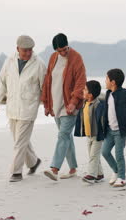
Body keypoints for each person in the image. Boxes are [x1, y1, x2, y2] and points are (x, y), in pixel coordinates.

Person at [0, 35, 46, 182]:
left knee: (19, 142)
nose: (28, 53)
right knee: (20, 140)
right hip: (13, 108)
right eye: (25, 51)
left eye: (30, 50)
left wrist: (48, 105)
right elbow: (2, 82)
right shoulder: (9, 61)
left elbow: (45, 87)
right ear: (17, 49)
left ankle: (16, 172)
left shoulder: (39, 64)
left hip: (29, 108)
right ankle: (34, 162)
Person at [42, 33, 87, 181]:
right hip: (56, 105)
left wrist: (74, 102)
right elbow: (48, 81)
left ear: (68, 45)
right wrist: (47, 104)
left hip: (70, 105)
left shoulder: (76, 58)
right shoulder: (53, 58)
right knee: (66, 137)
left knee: (62, 135)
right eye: (59, 51)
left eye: (64, 49)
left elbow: (81, 82)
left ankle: (54, 169)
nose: (62, 53)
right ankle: (73, 168)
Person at [74, 80, 106, 184]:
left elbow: (102, 120)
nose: (83, 90)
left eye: (85, 89)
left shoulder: (99, 105)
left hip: (97, 136)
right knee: (93, 155)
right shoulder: (85, 104)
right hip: (89, 135)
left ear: (90, 95)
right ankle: (99, 174)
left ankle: (91, 175)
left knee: (93, 156)